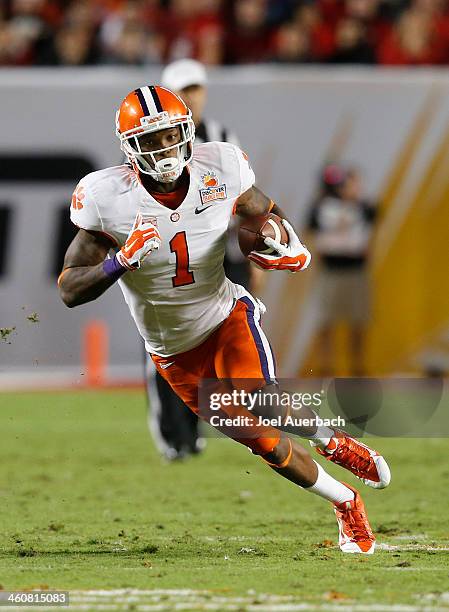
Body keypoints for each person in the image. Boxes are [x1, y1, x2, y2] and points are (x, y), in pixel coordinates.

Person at [59, 85, 390, 554]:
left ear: (187, 130)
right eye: (149, 140)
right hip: (172, 351)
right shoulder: (107, 196)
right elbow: (70, 288)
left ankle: (331, 440)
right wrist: (120, 262)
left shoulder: (222, 167)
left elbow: (265, 213)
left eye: (170, 134)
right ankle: (345, 501)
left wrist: (285, 243)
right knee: (267, 444)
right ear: (129, 147)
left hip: (225, 314)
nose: (163, 148)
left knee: (261, 399)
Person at [146, 58, 253, 461]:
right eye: (183, 90)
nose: (192, 98)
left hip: (217, 254)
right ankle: (174, 435)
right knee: (169, 347)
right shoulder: (149, 138)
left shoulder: (223, 137)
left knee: (227, 343)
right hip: (170, 260)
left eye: (196, 89)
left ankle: (217, 423)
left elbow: (245, 197)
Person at [307, 163, 377, 377]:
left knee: (358, 320)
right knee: (326, 320)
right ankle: (326, 365)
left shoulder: (364, 207)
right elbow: (312, 226)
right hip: (330, 270)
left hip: (356, 270)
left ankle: (357, 366)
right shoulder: (322, 207)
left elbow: (373, 218)